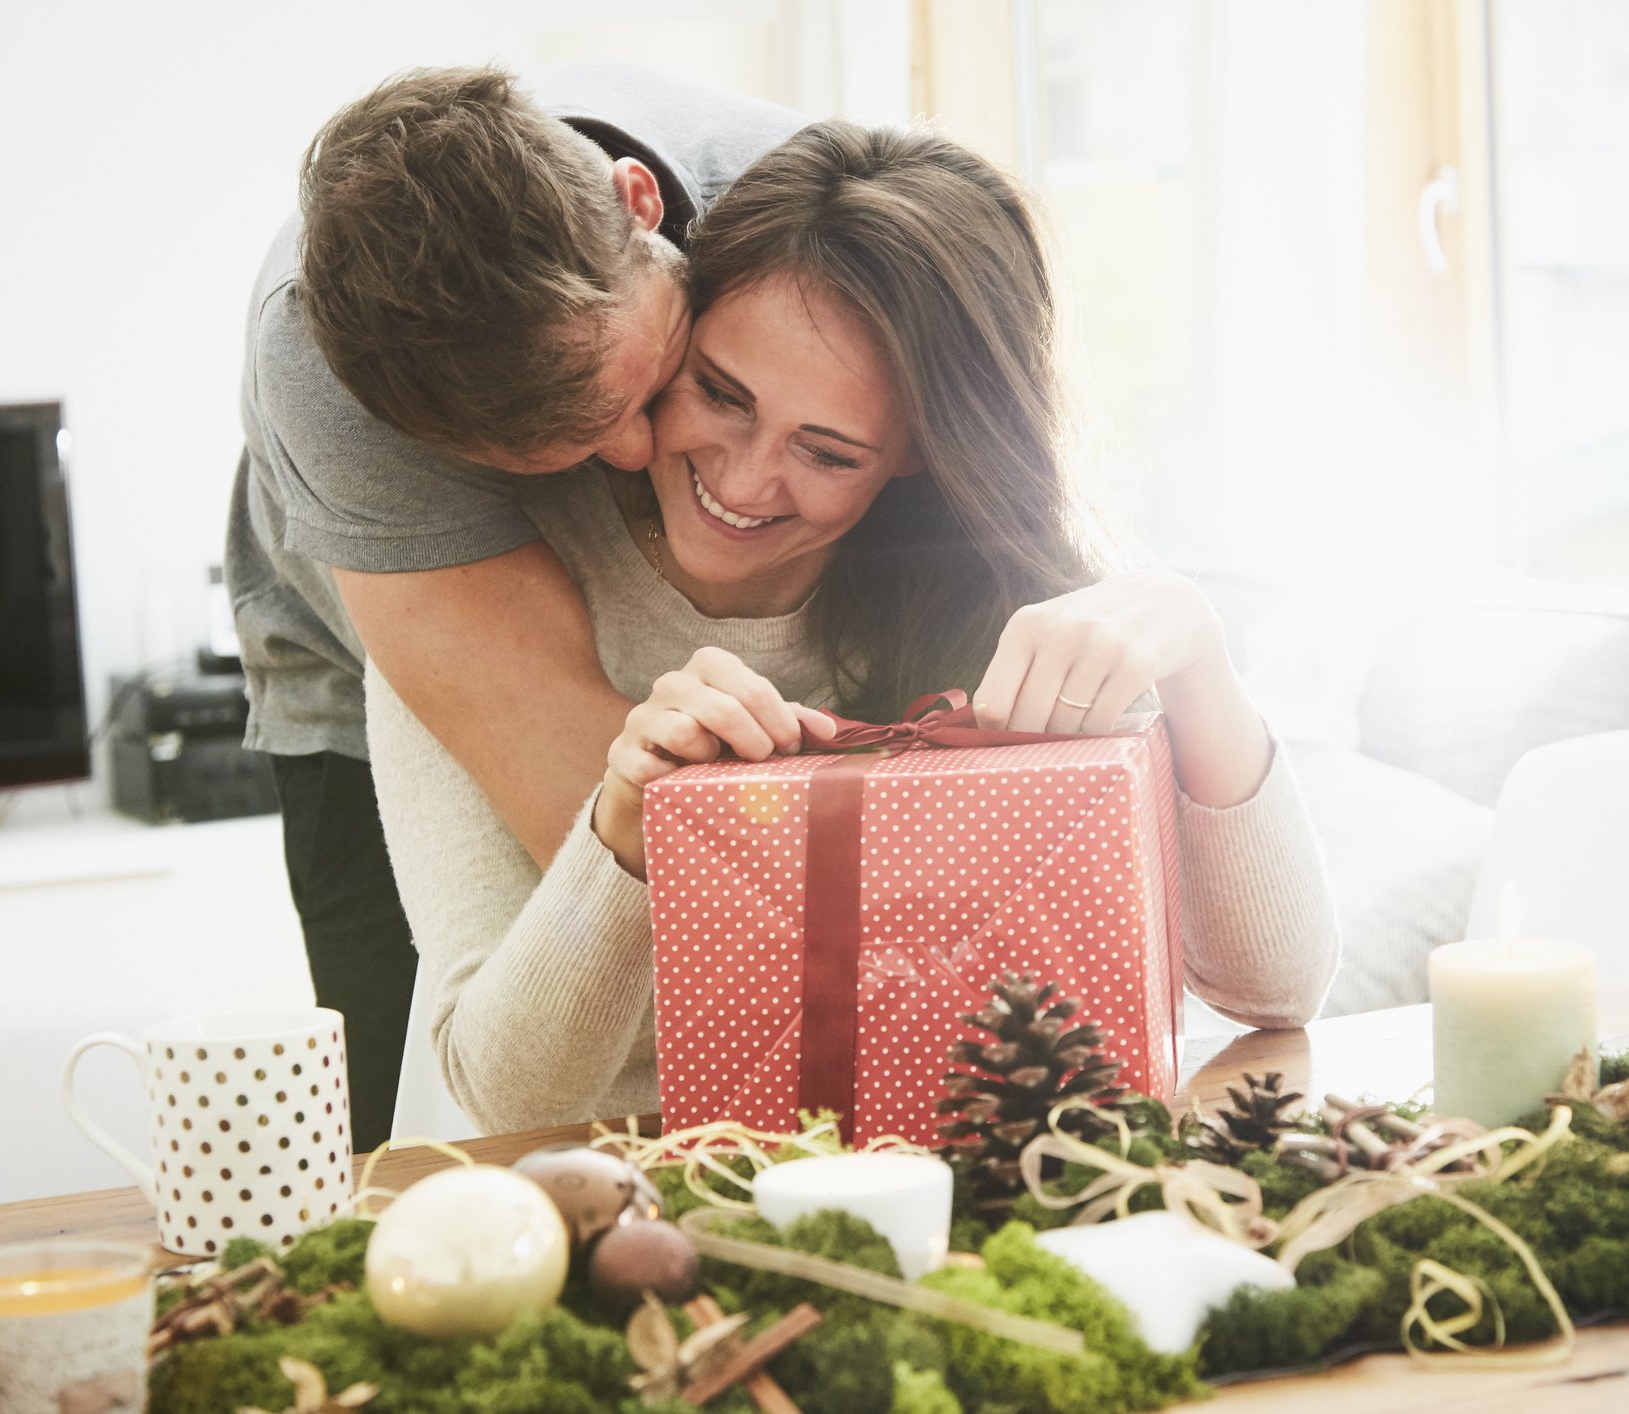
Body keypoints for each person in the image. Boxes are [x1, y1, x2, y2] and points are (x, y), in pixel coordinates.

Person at [368, 121, 1341, 1135]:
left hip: (962, 1179)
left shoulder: (995, 594)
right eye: (719, 392)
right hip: (637, 1203)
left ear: (918, 453)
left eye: (828, 453)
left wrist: (1196, 651)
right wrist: (620, 826)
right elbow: (505, 1095)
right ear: (677, 323)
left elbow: (1275, 992)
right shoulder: (474, 592)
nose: (742, 481)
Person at [224, 64, 801, 1149]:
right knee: (397, 1125)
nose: (636, 455)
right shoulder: (329, 378)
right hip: (363, 669)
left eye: (650, 384)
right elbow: (591, 826)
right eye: (572, 451)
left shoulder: (802, 210)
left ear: (641, 202)